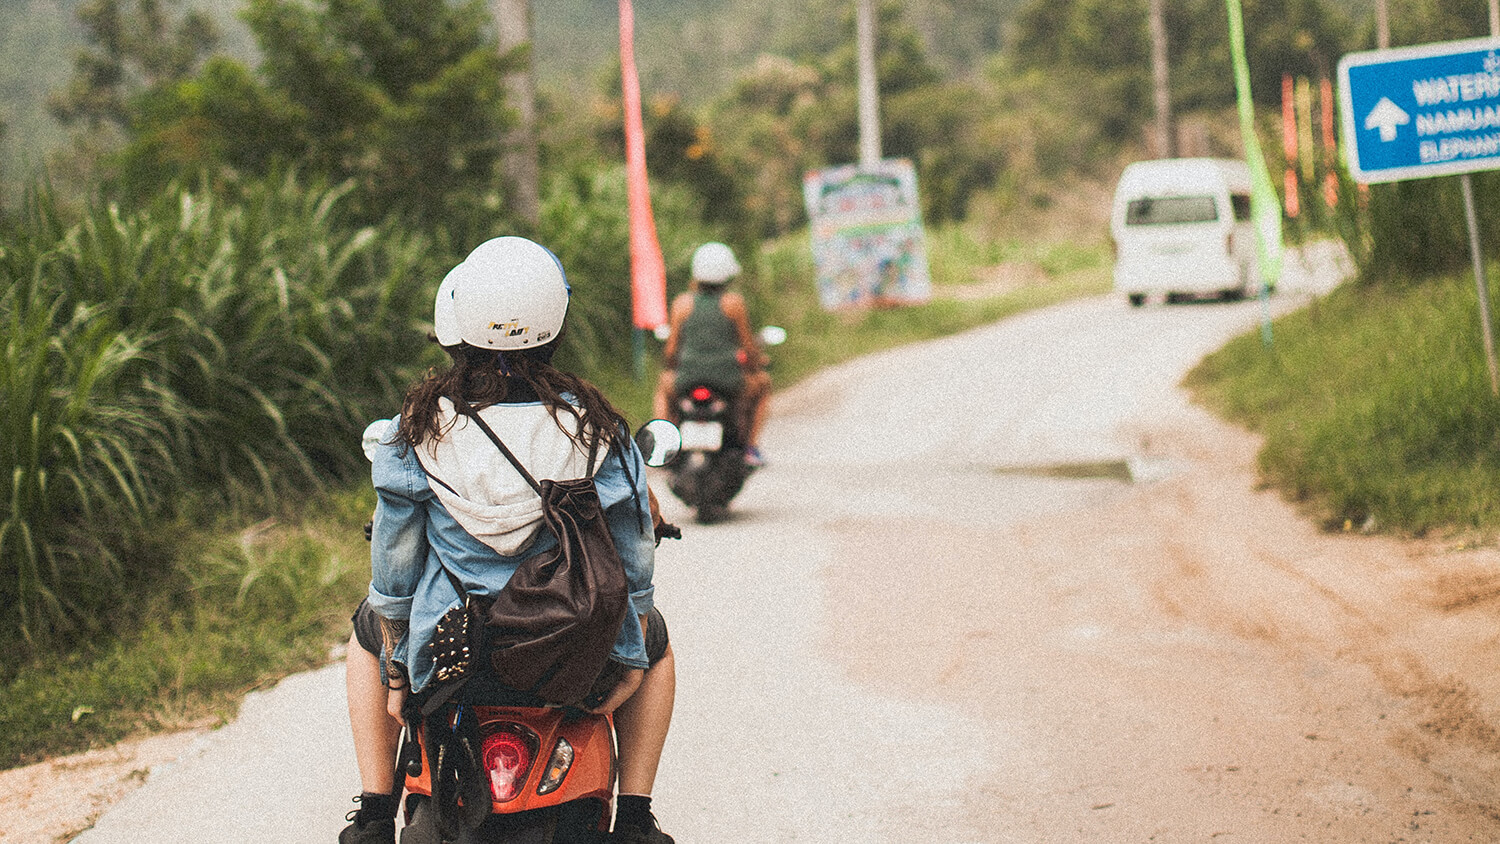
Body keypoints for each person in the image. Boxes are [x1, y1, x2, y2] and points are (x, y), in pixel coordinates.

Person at [340, 236, 676, 844]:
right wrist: (627, 655)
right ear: (556, 323)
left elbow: (395, 573)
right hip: (569, 649)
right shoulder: (594, 429)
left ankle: (371, 814)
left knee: (367, 625)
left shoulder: (417, 430)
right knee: (658, 641)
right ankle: (635, 820)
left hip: (450, 655)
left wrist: (396, 666)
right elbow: (632, 569)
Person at [652, 242, 771, 466]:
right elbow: (747, 347)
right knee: (763, 384)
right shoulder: (733, 303)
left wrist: (672, 365)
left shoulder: (682, 304)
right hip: (728, 381)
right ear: (728, 275)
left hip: (686, 380)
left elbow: (670, 352)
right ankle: (750, 448)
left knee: (663, 388)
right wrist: (756, 363)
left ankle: (663, 444)